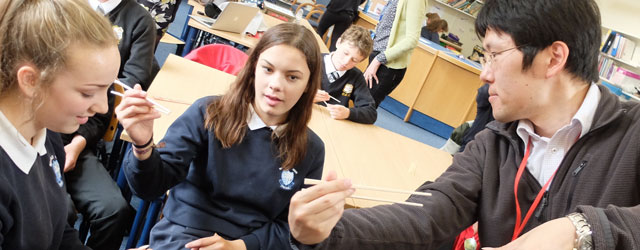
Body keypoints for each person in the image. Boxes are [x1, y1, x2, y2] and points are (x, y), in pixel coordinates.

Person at [288, 0, 640, 249]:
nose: (484, 73)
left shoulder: (632, 133)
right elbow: (428, 214)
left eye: (494, 54)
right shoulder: (494, 142)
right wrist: (329, 231)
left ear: (553, 58)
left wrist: (578, 231)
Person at [116, 23, 325, 250]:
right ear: (254, 67)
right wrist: (143, 145)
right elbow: (150, 188)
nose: (275, 85)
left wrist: (240, 246)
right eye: (267, 69)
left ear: (308, 86)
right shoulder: (208, 112)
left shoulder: (311, 149)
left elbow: (293, 229)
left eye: (292, 77)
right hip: (187, 236)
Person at [0, 0, 120, 248]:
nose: (103, 107)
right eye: (88, 93)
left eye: (107, 90)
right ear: (31, 81)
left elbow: (59, 233)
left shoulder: (47, 133)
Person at [62, 89, 133, 250]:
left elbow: (100, 116)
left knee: (114, 209)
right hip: (31, 148)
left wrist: (76, 145)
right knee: (60, 211)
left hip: (73, 143)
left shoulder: (90, 68)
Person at [365, 0, 426, 108]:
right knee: (359, 101)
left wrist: (379, 59)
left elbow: (412, 40)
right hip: (377, 56)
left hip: (386, 63)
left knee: (365, 107)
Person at [88, 0, 159, 90]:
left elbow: (134, 78)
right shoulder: (68, 7)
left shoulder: (141, 20)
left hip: (108, 98)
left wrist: (91, 93)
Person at [314, 25, 377, 124]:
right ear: (338, 42)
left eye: (354, 60)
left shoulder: (356, 77)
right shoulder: (312, 61)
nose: (346, 62)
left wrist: (348, 113)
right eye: (345, 53)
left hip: (332, 126)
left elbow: (371, 113)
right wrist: (307, 98)